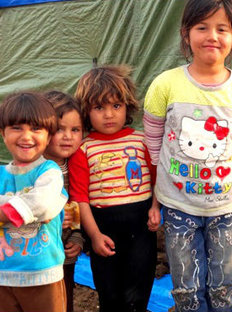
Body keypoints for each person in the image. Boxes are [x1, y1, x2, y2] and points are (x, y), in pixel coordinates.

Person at [142, 0, 232, 312]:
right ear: (186, 34)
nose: (212, 35)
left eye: (222, 29)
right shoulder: (165, 84)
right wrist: (159, 171)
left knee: (223, 284)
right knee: (185, 287)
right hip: (178, 206)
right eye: (202, 26)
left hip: (228, 207)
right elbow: (153, 136)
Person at [69, 65, 160, 312]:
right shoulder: (83, 149)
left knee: (138, 293)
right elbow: (80, 198)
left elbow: (157, 180)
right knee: (109, 294)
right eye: (99, 107)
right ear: (86, 111)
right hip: (103, 228)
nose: (109, 114)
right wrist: (95, 236)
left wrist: (155, 207)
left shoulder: (142, 141)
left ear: (127, 107)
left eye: (116, 106)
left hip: (141, 228)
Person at [0, 91, 67, 312]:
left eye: (36, 129)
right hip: (4, 275)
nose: (26, 137)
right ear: (2, 132)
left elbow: (42, 204)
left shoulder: (50, 172)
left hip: (43, 273)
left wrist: (0, 213)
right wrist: (28, 208)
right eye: (17, 128)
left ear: (49, 135)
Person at [43, 90, 85, 312]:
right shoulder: (32, 169)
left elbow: (75, 207)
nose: (68, 136)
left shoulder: (74, 167)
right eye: (59, 129)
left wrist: (77, 237)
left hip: (64, 254)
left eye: (75, 130)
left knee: (64, 302)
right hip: (37, 256)